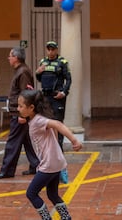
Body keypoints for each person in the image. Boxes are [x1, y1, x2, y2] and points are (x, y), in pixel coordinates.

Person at [18, 89, 82, 220]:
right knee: (52, 194)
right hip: (56, 163)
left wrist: (74, 140)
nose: (18, 108)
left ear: (31, 108)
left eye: (20, 106)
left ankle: (47, 218)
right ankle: (66, 218)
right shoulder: (38, 119)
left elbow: (58, 124)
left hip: (49, 165)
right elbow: (53, 128)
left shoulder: (38, 121)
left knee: (31, 193)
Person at [0, 47, 40, 179]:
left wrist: (22, 115)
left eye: (10, 56)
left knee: (13, 143)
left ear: (16, 58)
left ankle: (7, 170)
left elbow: (26, 94)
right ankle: (36, 165)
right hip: (19, 112)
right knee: (27, 141)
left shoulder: (23, 72)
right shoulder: (20, 71)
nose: (8, 58)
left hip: (19, 114)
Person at [35, 41, 72, 150]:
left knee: (58, 122)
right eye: (49, 49)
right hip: (45, 97)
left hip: (57, 97)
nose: (50, 52)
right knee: (46, 122)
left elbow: (69, 79)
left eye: (53, 49)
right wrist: (37, 73)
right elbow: (39, 79)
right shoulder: (43, 61)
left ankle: (59, 150)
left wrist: (64, 92)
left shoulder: (62, 62)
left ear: (56, 50)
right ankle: (48, 149)